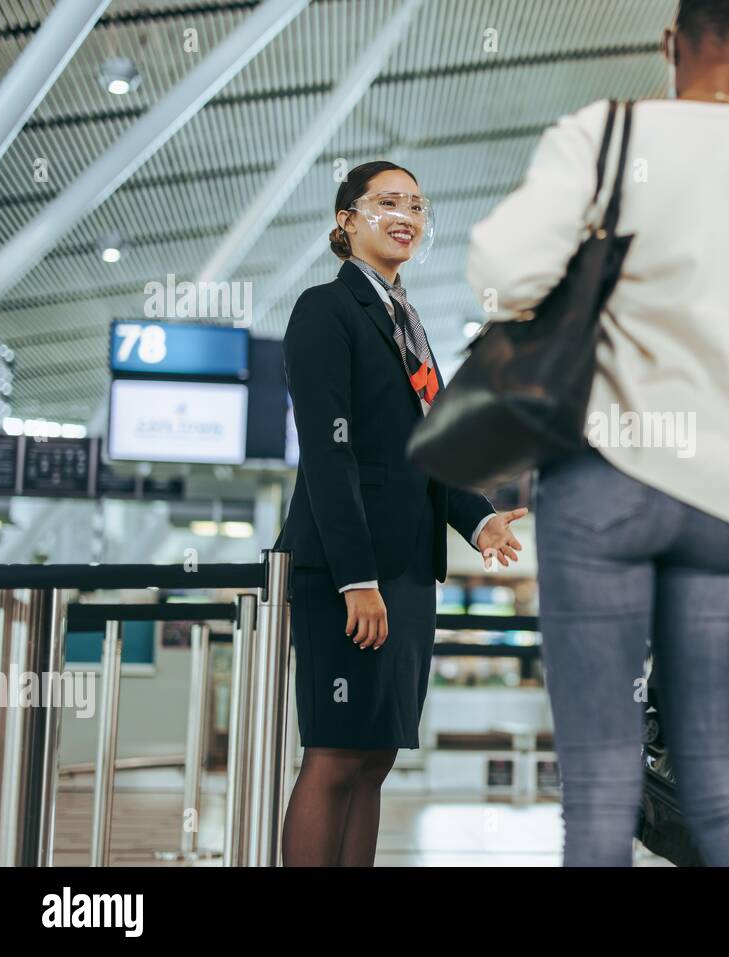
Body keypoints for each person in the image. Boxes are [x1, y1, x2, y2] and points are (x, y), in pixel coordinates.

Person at [467, 0, 729, 866]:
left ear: (670, 44)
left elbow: (500, 271)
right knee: (723, 792)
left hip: (601, 484)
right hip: (726, 507)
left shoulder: (603, 135)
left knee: (603, 792)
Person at [276, 161, 527, 866]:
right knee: (332, 754)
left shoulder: (408, 323)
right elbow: (330, 457)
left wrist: (480, 519)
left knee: (375, 757)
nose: (406, 215)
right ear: (346, 220)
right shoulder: (325, 311)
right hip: (350, 573)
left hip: (410, 573)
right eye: (387, 202)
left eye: (417, 204)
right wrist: (356, 579)